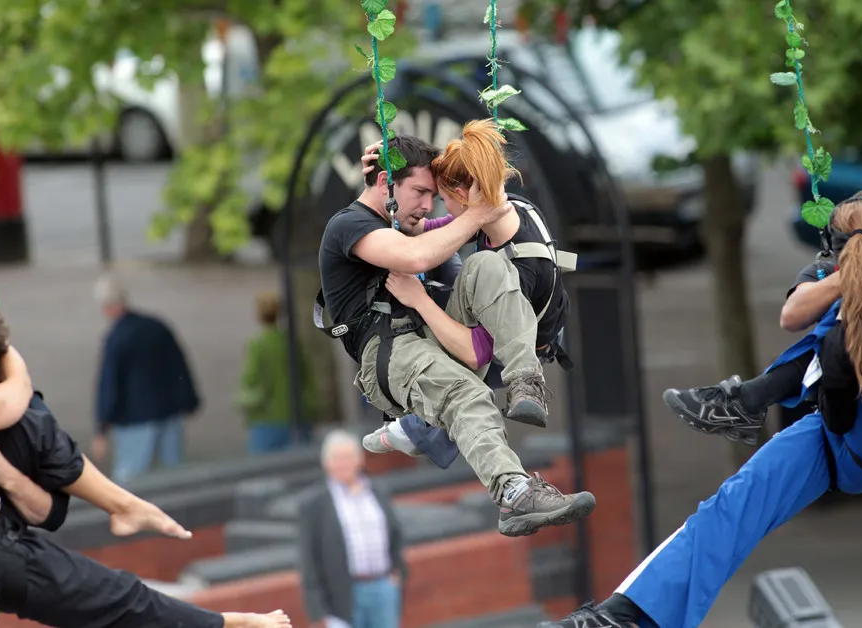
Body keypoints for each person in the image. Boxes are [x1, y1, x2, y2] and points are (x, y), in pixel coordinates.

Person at [538, 196, 862, 628]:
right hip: (860, 439)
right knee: (734, 502)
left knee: (834, 338)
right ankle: (627, 616)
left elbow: (839, 412)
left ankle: (750, 399)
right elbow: (793, 315)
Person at [315, 133, 594, 537]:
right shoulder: (349, 225)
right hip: (391, 352)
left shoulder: (407, 222)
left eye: (434, 195)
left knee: (487, 265)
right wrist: (478, 214)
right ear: (385, 185)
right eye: (420, 192)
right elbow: (417, 257)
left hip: (431, 334)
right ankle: (513, 492)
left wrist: (487, 202)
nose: (428, 205)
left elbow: (446, 237)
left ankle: (525, 382)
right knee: (466, 394)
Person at [0, 322, 291, 627]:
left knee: (114, 594)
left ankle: (125, 508)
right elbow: (18, 385)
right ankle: (224, 621)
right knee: (116, 597)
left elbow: (50, 513)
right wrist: (2, 344)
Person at [360, 120, 575, 461]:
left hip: (503, 347)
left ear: (464, 196)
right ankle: (418, 428)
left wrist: (417, 299)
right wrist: (382, 189)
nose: (439, 208)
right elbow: (425, 233)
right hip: (522, 319)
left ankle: (421, 426)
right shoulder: (512, 208)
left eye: (443, 199)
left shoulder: (513, 276)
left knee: (440, 345)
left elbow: (474, 352)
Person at [662, 187, 862, 445]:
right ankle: (748, 400)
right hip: (846, 419)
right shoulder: (825, 272)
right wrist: (856, 275)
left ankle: (750, 398)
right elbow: (792, 317)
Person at [93, 274, 201, 483]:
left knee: (130, 479)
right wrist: (189, 400)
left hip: (134, 419)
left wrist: (101, 428)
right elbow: (179, 365)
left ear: (107, 306)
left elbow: (109, 385)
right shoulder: (157, 326)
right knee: (175, 474)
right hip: (169, 413)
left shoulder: (116, 338)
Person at [297, 430, 407, 628]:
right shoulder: (314, 504)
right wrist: (316, 611)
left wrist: (397, 573)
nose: (343, 464)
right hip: (342, 595)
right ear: (326, 463)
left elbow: (395, 533)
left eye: (348, 457)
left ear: (360, 460)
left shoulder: (377, 493)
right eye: (337, 458)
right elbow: (308, 559)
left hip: (383, 588)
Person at [237, 291, 318, 454]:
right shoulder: (291, 342)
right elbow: (307, 376)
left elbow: (250, 380)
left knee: (265, 471)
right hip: (297, 413)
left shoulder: (257, 345)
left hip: (267, 417)